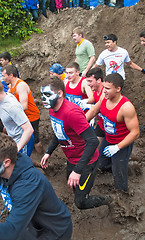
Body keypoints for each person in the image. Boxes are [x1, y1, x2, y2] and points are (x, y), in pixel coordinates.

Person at [40, 76, 112, 209]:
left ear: (60, 93)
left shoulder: (71, 113)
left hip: (87, 161)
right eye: (42, 95)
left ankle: (109, 201)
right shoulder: (52, 109)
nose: (43, 99)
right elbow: (59, 132)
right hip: (72, 158)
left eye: (47, 94)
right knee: (73, 185)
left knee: (81, 203)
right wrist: (48, 152)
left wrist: (78, 170)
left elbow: (92, 141)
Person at [0, 133, 73, 240]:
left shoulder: (28, 184)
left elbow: (12, 230)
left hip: (53, 232)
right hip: (30, 225)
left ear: (6, 163)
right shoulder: (8, 167)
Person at [86, 73, 140, 192]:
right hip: (108, 139)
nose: (104, 91)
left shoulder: (126, 107)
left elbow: (135, 133)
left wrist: (117, 147)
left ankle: (122, 198)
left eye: (108, 88)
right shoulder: (104, 98)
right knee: (101, 164)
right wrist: (82, 123)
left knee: (119, 178)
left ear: (118, 89)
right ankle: (127, 165)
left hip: (122, 144)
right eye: (104, 87)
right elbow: (95, 109)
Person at [1, 65, 43, 154]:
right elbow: (7, 97)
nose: (3, 78)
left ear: (11, 75)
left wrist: (12, 112)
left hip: (32, 116)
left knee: (35, 139)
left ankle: (42, 157)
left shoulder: (21, 85)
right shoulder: (11, 85)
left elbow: (24, 106)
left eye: (4, 75)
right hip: (23, 117)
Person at [0, 81, 34, 156]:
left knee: (20, 165)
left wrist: (17, 149)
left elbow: (29, 130)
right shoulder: (4, 98)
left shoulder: (11, 106)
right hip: (13, 138)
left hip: (23, 141)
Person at [86, 67, 105, 147]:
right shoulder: (96, 91)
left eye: (90, 81)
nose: (88, 84)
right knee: (95, 148)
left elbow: (94, 111)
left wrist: (79, 123)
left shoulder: (105, 92)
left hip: (112, 127)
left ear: (99, 80)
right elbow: (92, 99)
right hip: (101, 124)